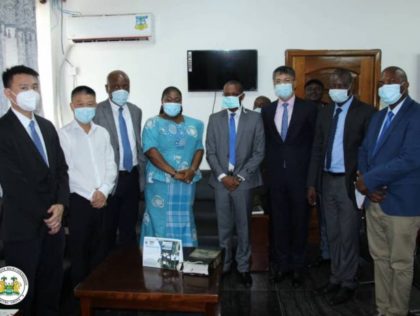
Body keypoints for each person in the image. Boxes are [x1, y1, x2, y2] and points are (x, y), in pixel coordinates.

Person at [0, 65, 69, 315]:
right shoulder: (3, 130)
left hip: (54, 227)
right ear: (9, 93)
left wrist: (61, 206)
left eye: (35, 87)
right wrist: (48, 214)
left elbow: (61, 170)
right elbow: (14, 183)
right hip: (22, 229)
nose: (32, 93)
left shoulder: (47, 126)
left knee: (51, 291)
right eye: (25, 88)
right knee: (19, 298)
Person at [307, 68, 375, 305]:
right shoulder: (325, 113)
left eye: (339, 84)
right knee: (332, 233)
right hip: (326, 180)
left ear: (350, 87)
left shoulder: (366, 112)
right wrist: (312, 184)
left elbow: (369, 151)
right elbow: (316, 148)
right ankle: (335, 277)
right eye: (332, 85)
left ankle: (349, 282)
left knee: (348, 234)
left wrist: (364, 179)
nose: (334, 88)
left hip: (349, 182)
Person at [357, 66, 420, 316]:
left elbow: (410, 159)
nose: (384, 87)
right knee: (380, 260)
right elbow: (364, 151)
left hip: (402, 203)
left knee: (401, 263)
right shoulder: (378, 116)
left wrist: (370, 180)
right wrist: (367, 184)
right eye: (382, 82)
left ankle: (397, 312)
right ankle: (383, 310)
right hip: (375, 201)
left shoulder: (416, 115)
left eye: (390, 82)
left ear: (404, 86)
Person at [261, 66, 317, 287]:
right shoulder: (267, 111)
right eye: (277, 80)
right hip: (275, 178)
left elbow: (316, 147)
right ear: (273, 84)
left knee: (300, 223)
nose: (281, 83)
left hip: (301, 178)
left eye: (286, 80)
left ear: (294, 83)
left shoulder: (309, 109)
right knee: (279, 223)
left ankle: (297, 268)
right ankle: (282, 266)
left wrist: (312, 181)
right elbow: (265, 144)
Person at [206, 80, 265, 287]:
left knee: (243, 227)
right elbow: (210, 152)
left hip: (244, 182)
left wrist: (239, 177)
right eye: (226, 93)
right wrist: (223, 176)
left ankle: (243, 268)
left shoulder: (255, 119)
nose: (229, 96)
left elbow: (259, 152)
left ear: (242, 96)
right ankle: (225, 266)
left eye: (233, 93)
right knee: (224, 229)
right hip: (221, 181)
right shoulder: (214, 119)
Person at [58, 86, 117, 293]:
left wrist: (104, 190)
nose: (86, 108)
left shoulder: (102, 133)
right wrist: (92, 194)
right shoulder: (63, 135)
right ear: (72, 106)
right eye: (81, 105)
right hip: (79, 201)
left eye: (90, 104)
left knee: (101, 251)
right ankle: (80, 300)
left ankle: (100, 296)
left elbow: (111, 164)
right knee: (80, 252)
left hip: (104, 200)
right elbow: (66, 171)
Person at [140, 86, 204, 247]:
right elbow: (150, 151)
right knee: (159, 220)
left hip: (187, 182)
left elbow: (199, 148)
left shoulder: (195, 124)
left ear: (181, 102)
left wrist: (192, 170)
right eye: (169, 99)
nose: (173, 103)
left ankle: (185, 257)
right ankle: (159, 262)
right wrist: (174, 173)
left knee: (184, 219)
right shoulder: (152, 123)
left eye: (177, 100)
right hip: (160, 181)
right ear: (162, 101)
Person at [94, 70, 145, 252]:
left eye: (125, 86)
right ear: (107, 88)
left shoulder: (135, 111)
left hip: (132, 176)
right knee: (107, 230)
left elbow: (136, 143)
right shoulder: (97, 111)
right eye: (116, 86)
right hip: (109, 179)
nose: (121, 90)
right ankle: (104, 273)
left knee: (128, 229)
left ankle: (127, 271)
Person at [304, 78, 330, 267]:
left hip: (325, 171)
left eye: (317, 89)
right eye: (310, 89)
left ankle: (326, 253)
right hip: (301, 170)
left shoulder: (329, 110)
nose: (313, 92)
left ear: (322, 92)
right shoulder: (298, 109)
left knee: (326, 217)